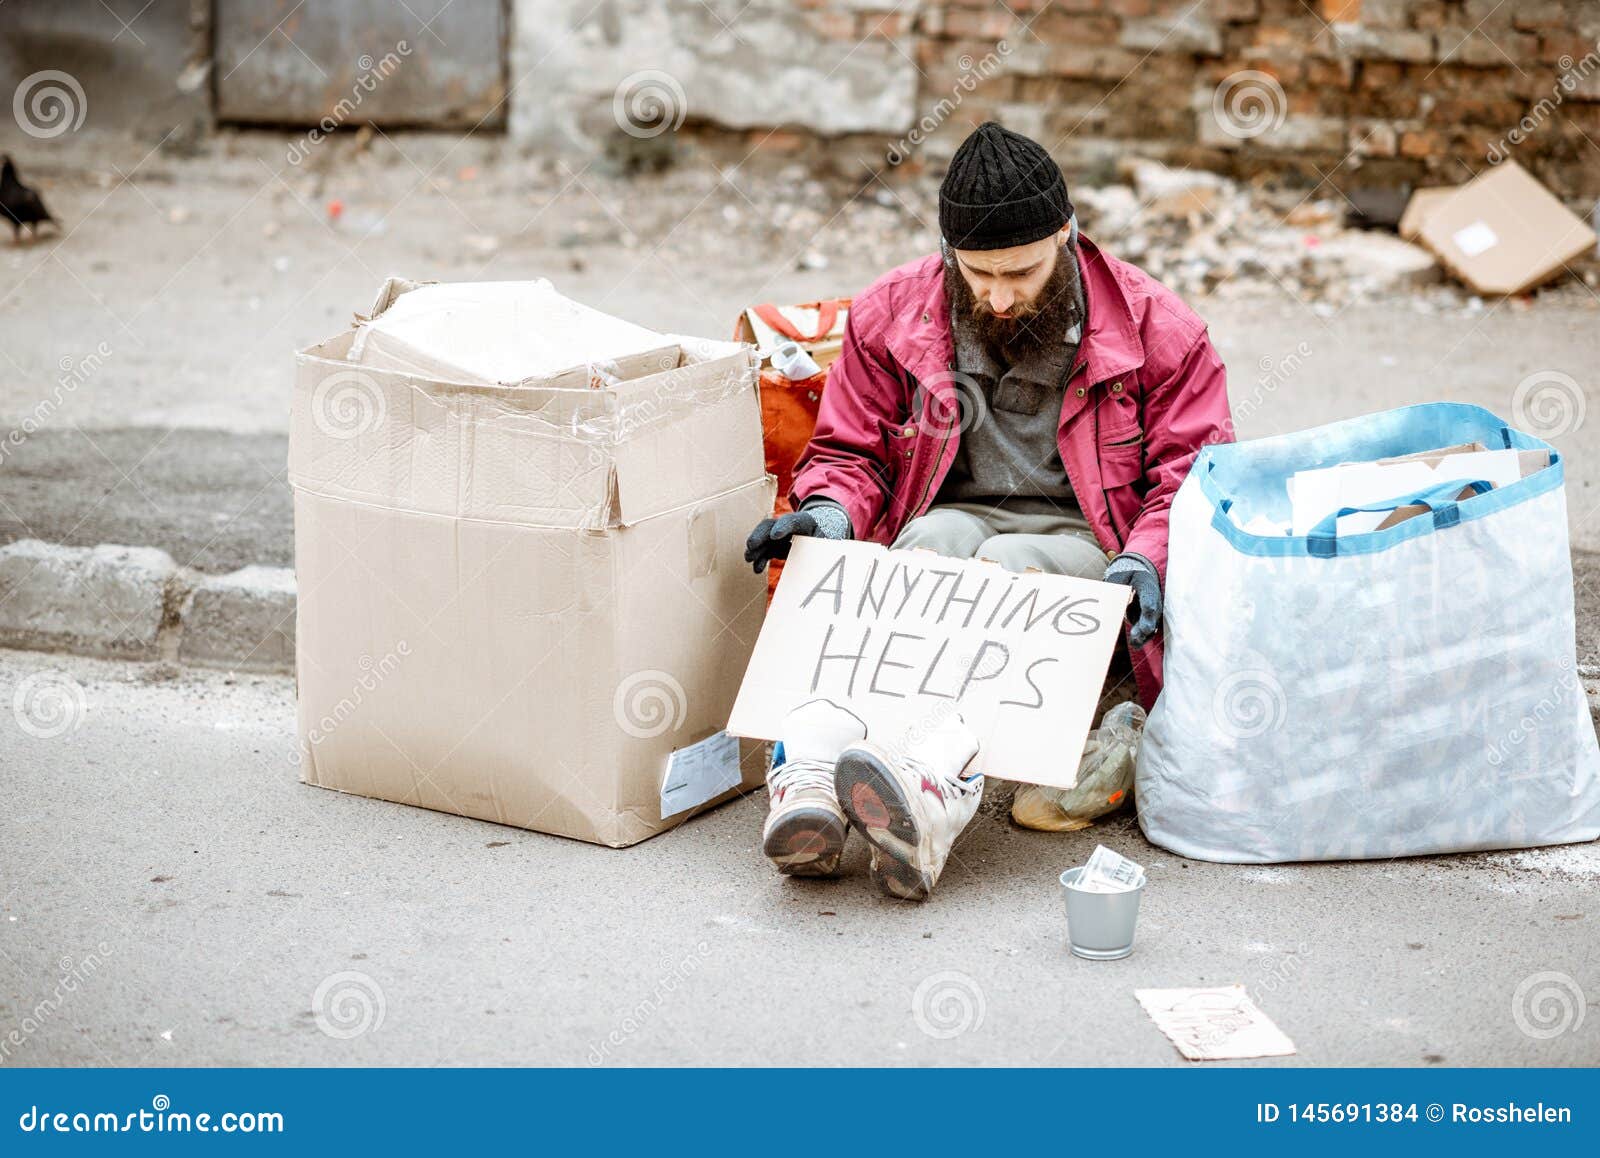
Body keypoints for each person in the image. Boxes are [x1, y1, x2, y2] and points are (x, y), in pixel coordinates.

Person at [746, 122, 1233, 900]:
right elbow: (849, 454)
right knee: (926, 553)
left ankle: (933, 793)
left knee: (1005, 575)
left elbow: (1192, 477)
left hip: (1084, 538)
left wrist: (1150, 560)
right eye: (977, 274)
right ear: (948, 254)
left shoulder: (1158, 329)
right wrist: (827, 518)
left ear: (1068, 236)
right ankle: (812, 770)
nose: (1000, 297)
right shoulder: (891, 314)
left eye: (1022, 272)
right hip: (953, 513)